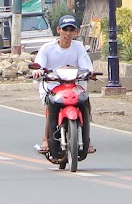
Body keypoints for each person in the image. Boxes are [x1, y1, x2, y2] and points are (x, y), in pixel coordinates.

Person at [32, 15, 94, 155]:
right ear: (58, 30)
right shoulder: (47, 48)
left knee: (85, 102)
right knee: (51, 106)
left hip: (75, 85)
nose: (68, 33)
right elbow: (39, 65)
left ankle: (87, 139)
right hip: (53, 85)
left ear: (76, 32)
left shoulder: (79, 47)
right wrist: (38, 71)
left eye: (71, 30)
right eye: (65, 29)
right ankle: (46, 140)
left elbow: (86, 66)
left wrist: (90, 73)